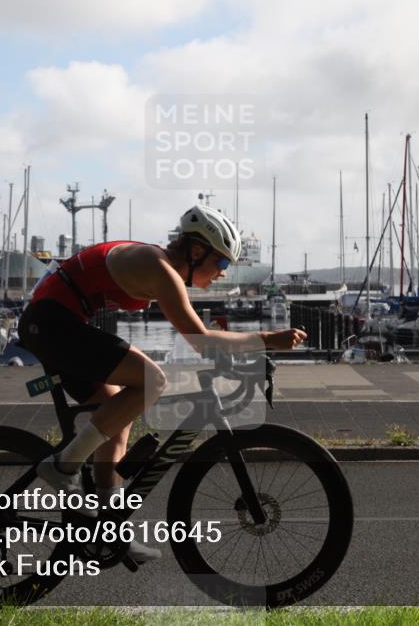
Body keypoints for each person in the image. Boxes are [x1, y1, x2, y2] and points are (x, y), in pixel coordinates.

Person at [18, 205, 306, 564]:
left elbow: (197, 338)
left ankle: (109, 533)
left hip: (56, 322)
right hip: (52, 324)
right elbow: (200, 339)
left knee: (116, 422)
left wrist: (232, 352)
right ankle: (64, 465)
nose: (221, 274)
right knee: (152, 379)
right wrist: (267, 339)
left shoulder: (157, 262)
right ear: (196, 251)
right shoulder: (161, 271)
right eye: (221, 264)